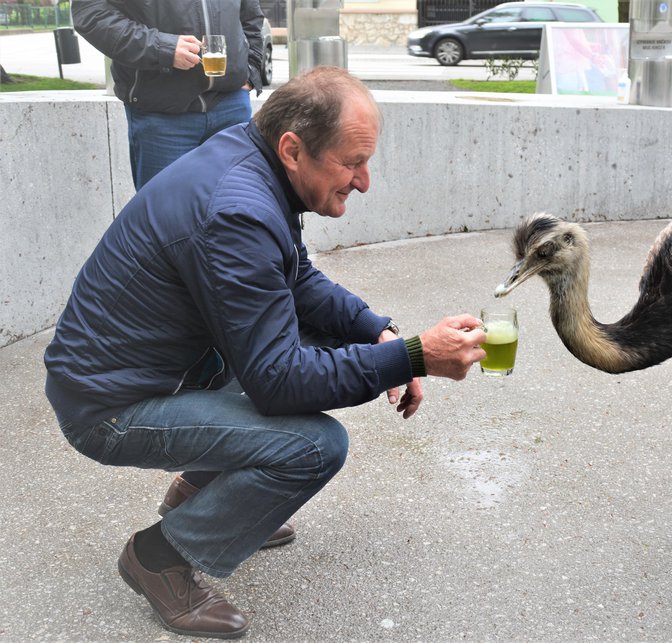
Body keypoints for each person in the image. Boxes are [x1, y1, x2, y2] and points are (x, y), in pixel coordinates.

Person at [44, 66, 488, 639]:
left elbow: (296, 279)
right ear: (293, 148)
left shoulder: (250, 164)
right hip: (110, 411)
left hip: (163, 372)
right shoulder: (239, 209)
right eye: (352, 162)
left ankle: (200, 494)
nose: (364, 181)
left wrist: (378, 331)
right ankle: (157, 557)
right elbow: (279, 382)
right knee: (314, 446)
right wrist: (413, 355)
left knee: (333, 339)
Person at [72, 0, 266, 189]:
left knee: (234, 209)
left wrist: (252, 69)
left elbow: (251, 15)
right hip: (162, 116)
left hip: (231, 106)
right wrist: (162, 48)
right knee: (166, 214)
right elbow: (91, 14)